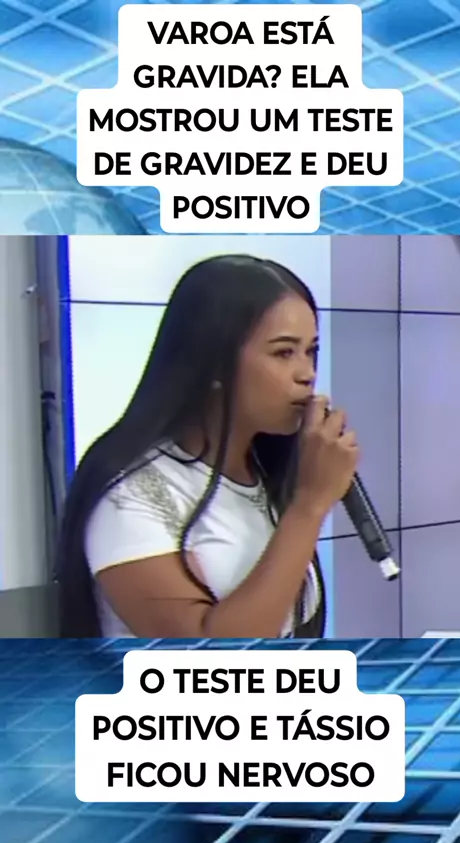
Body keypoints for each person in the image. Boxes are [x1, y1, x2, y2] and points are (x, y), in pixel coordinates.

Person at [56, 254, 359, 639]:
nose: (307, 374)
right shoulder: (132, 493)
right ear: (214, 362)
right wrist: (309, 506)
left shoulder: (264, 471)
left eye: (311, 351)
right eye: (284, 352)